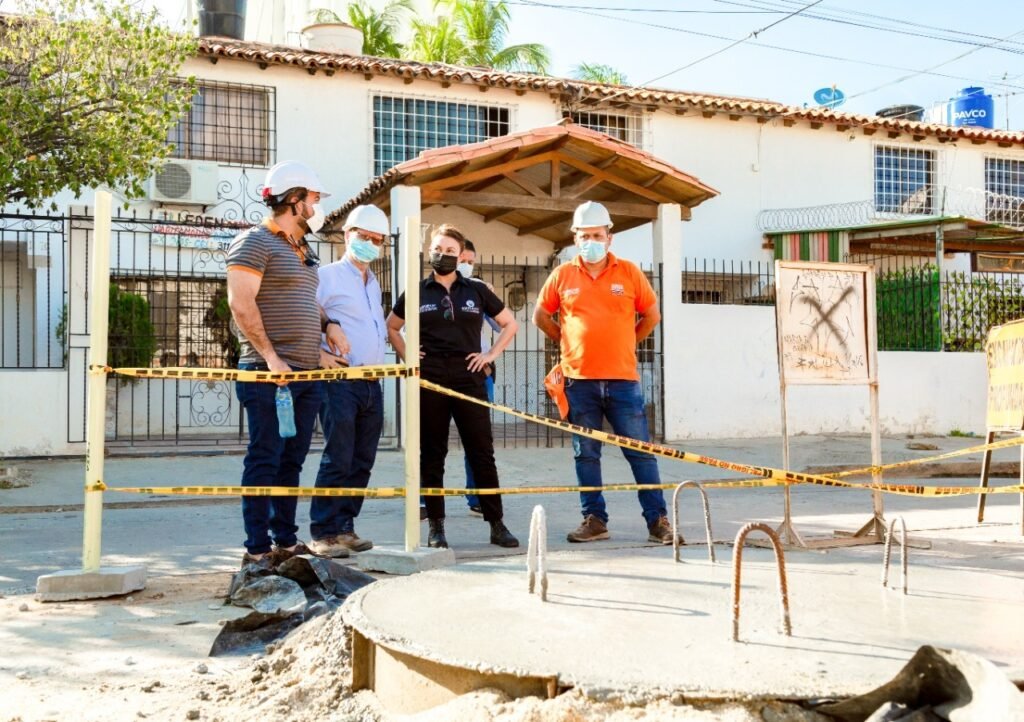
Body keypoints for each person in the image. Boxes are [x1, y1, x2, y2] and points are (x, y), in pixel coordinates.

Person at [532, 201, 679, 545]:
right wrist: (564, 341)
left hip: (623, 381)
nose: (591, 241)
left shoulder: (629, 272)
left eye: (598, 235)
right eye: (585, 236)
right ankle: (595, 520)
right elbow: (541, 315)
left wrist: (628, 341)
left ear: (609, 237)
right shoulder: (563, 275)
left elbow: (652, 315)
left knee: (639, 452)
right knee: (586, 454)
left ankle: (657, 521)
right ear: (575, 238)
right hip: (578, 382)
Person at [227, 160, 348, 566]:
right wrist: (272, 358)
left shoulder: (302, 249)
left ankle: (285, 540)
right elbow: (240, 303)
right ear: (295, 200)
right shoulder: (254, 242)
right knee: (265, 459)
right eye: (313, 198)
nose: (316, 206)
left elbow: (301, 304)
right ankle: (257, 548)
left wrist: (328, 326)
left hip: (304, 375)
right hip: (267, 375)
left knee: (291, 460)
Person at [387, 224, 520, 549]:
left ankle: (496, 524)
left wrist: (490, 354)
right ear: (429, 251)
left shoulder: (476, 290)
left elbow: (510, 324)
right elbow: (393, 326)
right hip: (430, 378)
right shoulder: (417, 291)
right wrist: (407, 355)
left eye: (450, 251)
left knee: (481, 452)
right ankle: (436, 527)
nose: (443, 256)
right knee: (433, 453)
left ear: (460, 256)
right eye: (438, 249)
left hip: (469, 377)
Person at [307, 205, 390, 558]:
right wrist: (319, 355)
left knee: (362, 458)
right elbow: (303, 317)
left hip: (372, 382)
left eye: (376, 239)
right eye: (363, 236)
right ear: (346, 235)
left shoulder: (374, 283)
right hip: (340, 380)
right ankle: (324, 532)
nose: (369, 244)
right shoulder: (325, 276)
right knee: (338, 455)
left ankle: (345, 527)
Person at [457, 239, 501, 517]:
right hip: (440, 374)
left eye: (471, 261)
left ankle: (477, 496)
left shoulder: (479, 290)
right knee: (430, 442)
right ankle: (425, 500)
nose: (466, 265)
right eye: (463, 258)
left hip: (478, 375)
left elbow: (501, 325)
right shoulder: (430, 290)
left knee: (478, 440)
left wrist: (493, 298)